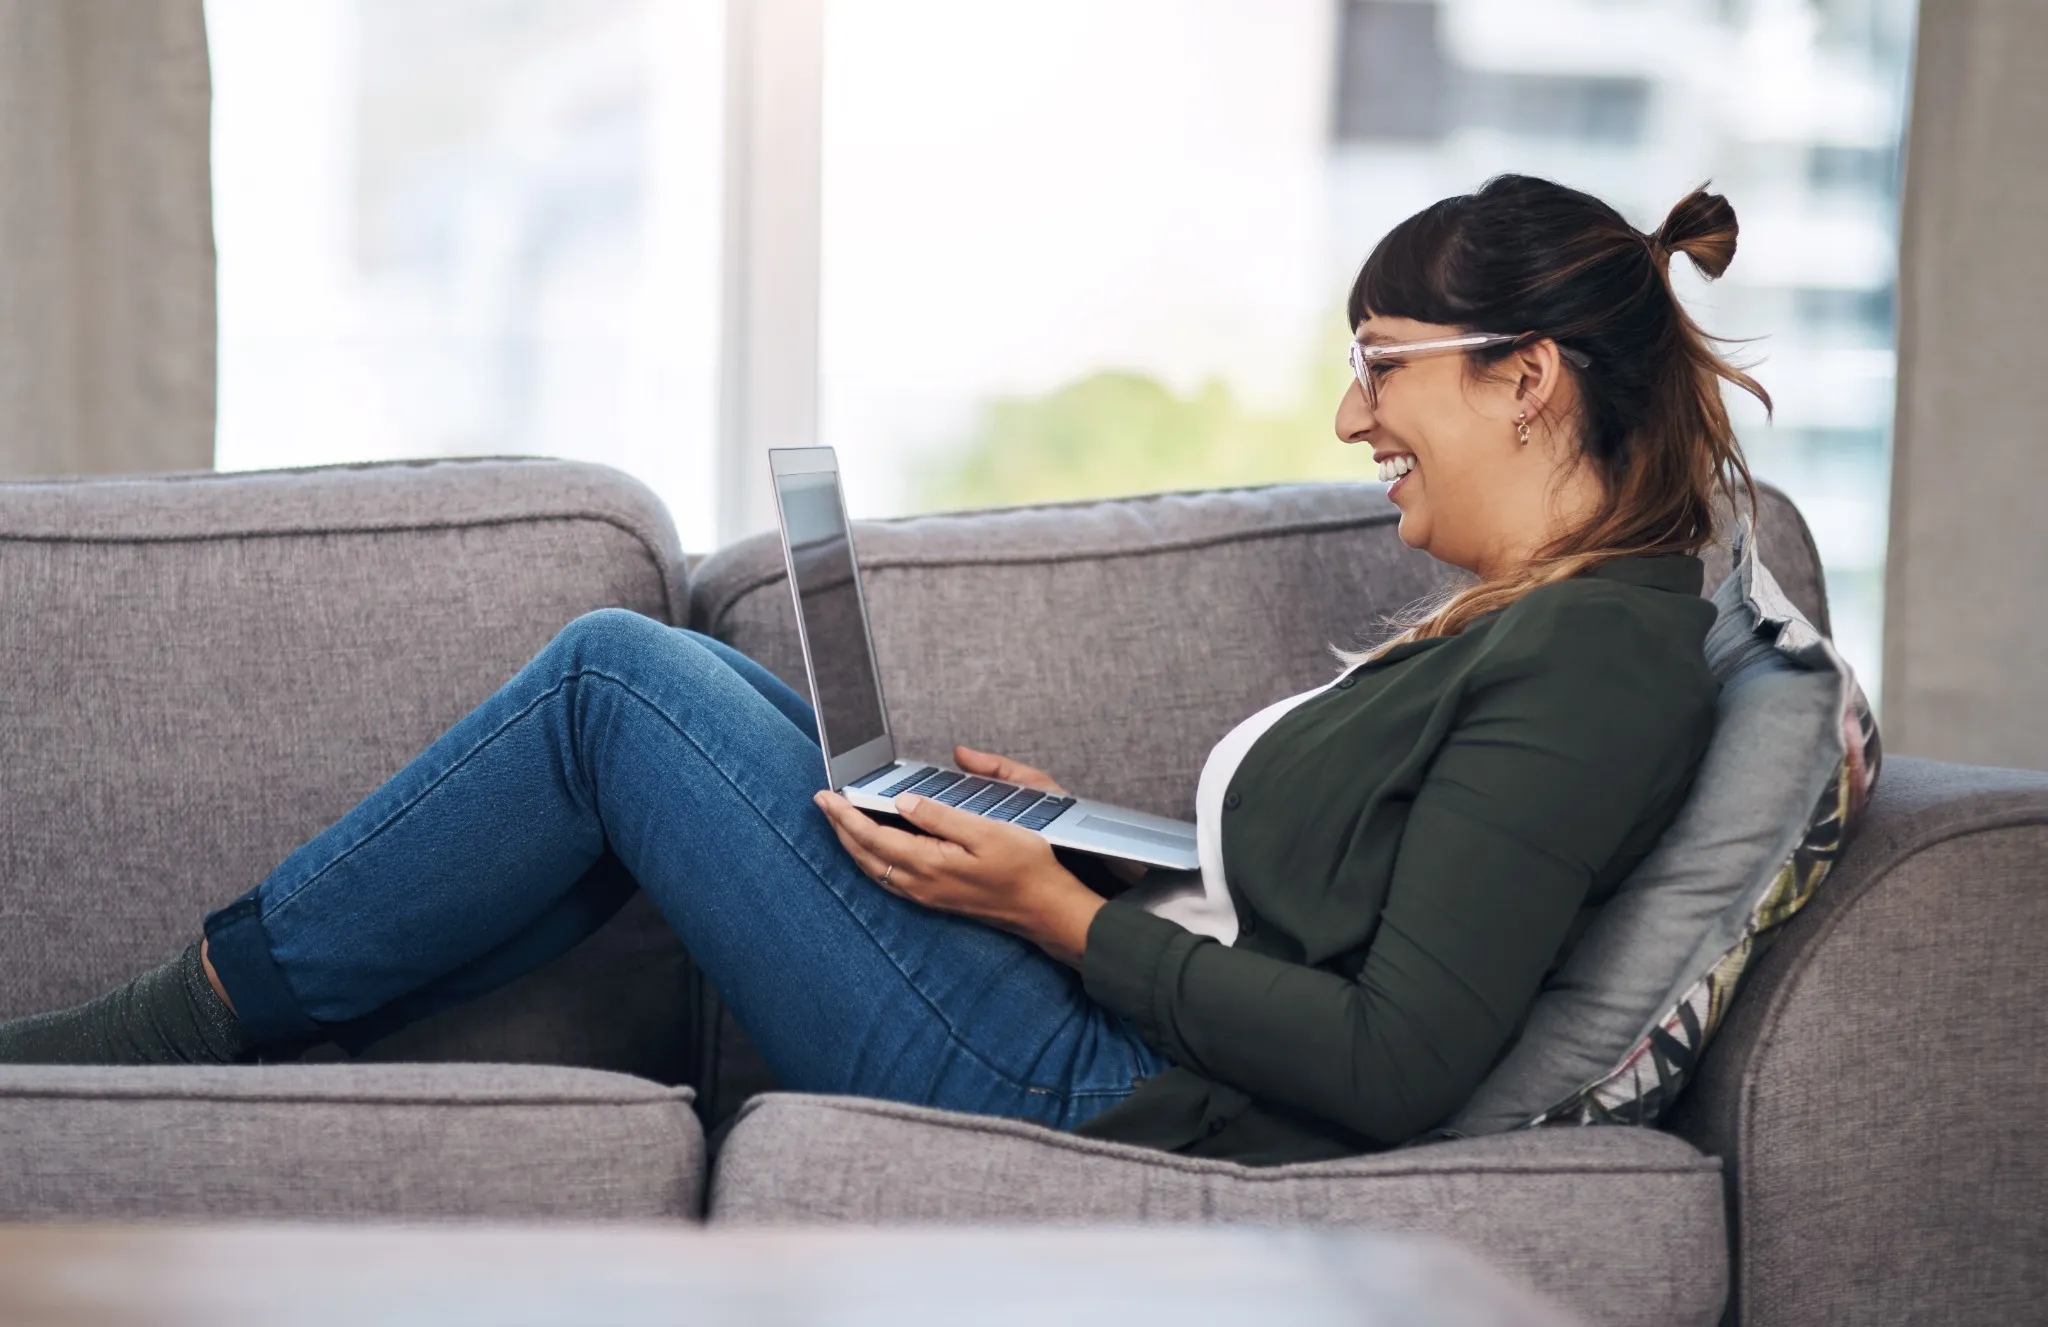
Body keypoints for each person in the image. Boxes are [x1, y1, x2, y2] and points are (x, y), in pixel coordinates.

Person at [0, 175, 1768, 1166]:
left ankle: (150, 1040)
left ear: (1527, 375)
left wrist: (1054, 918)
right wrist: (1076, 848)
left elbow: (1391, 1058)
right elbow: (1345, 906)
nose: (1351, 416)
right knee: (761, 733)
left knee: (623, 681)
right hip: (1105, 1030)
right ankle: (213, 1044)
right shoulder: (1550, 621)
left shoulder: (1596, 658)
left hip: (1104, 1096)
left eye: (1387, 365)